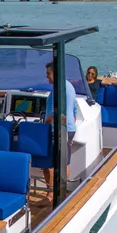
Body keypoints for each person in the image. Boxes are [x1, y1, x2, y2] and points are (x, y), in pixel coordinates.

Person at [41, 62, 77, 203]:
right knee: (64, 162)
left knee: (49, 163)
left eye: (48, 74)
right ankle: (62, 192)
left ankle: (50, 196)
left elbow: (52, 113)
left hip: (57, 129)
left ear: (55, 73)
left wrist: (44, 125)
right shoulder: (70, 86)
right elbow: (74, 111)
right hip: (68, 128)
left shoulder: (58, 89)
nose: (47, 77)